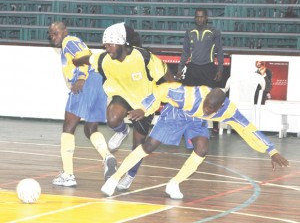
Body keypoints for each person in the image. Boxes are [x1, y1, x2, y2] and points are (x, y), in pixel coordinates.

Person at [101, 82, 290, 199]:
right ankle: (115, 178)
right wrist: (145, 108)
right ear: (205, 98)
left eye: (211, 109)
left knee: (202, 148)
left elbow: (247, 128)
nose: (207, 109)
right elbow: (163, 90)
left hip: (196, 121)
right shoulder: (189, 96)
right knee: (149, 145)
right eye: (206, 105)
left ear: (220, 106)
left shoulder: (228, 110)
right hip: (177, 113)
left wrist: (271, 150)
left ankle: (174, 183)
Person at [72, 22, 175, 190]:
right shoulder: (105, 58)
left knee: (138, 147)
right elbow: (88, 59)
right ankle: (121, 130)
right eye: (105, 45)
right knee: (112, 119)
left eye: (111, 44)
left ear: (122, 43)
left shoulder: (144, 57)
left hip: (145, 103)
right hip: (123, 96)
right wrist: (76, 60)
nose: (108, 48)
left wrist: (178, 97)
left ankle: (130, 175)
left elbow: (167, 76)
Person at [48, 21, 117, 187]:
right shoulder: (75, 40)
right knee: (90, 128)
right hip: (99, 82)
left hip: (85, 82)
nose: (53, 37)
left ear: (65, 31)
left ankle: (68, 175)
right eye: (51, 34)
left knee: (68, 128)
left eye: (56, 33)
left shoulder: (68, 42)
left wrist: (80, 77)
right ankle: (107, 156)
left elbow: (82, 57)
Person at [176, 7, 224, 134]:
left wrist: (220, 69)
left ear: (207, 18)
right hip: (193, 68)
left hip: (208, 68)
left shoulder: (214, 31)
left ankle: (215, 125)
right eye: (197, 16)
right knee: (188, 97)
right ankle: (185, 123)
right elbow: (185, 52)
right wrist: (180, 68)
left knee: (211, 97)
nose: (199, 19)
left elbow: (219, 51)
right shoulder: (190, 31)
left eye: (202, 16)